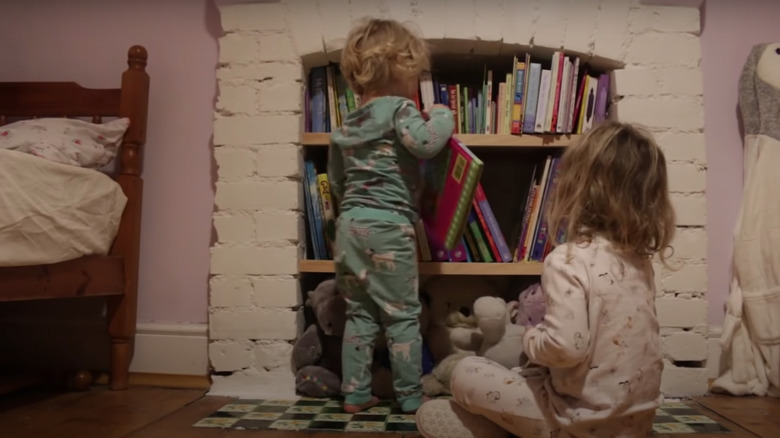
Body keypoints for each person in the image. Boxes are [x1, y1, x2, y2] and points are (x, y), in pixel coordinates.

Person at [416, 121, 676, 438]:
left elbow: (565, 348)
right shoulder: (639, 262)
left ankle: (496, 429)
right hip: (636, 425)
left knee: (465, 372)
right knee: (529, 375)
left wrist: (531, 337)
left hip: (573, 422)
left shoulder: (567, 260)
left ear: (575, 188)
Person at [328, 17, 455, 414]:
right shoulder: (400, 108)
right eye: (414, 73)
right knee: (402, 315)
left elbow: (335, 180)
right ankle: (410, 396)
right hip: (388, 226)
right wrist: (442, 116)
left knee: (361, 314)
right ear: (399, 68)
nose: (415, 81)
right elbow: (424, 143)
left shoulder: (347, 122)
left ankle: (356, 393)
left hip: (350, 227)